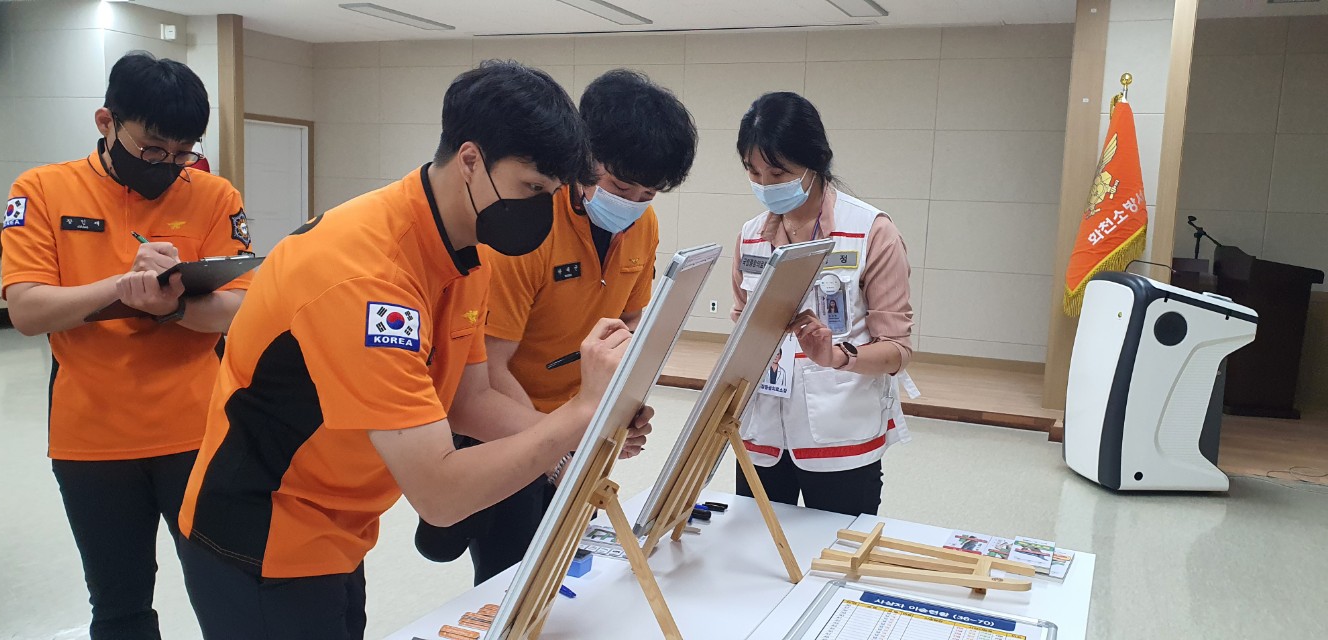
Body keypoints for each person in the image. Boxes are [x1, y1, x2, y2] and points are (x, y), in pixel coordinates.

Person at [174, 61, 652, 640]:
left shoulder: (464, 246)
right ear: (471, 160)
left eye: (553, 194)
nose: (544, 210)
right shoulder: (366, 277)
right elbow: (440, 494)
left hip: (337, 525)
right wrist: (579, 416)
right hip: (262, 531)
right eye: (532, 188)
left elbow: (470, 401)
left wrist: (588, 431)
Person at [0, 52, 251, 639]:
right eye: (153, 149)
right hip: (92, 439)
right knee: (119, 605)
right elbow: (28, 310)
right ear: (106, 122)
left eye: (184, 152)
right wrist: (121, 287)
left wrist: (174, 306)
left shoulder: (215, 195)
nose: (169, 165)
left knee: (231, 593)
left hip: (198, 431)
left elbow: (242, 307)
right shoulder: (42, 190)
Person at [414, 69, 697, 585]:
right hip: (505, 423)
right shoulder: (528, 227)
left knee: (569, 569)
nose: (633, 203)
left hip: (576, 421)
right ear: (584, 157)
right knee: (509, 577)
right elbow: (489, 373)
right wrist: (560, 449)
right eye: (620, 186)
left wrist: (615, 411)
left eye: (648, 193)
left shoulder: (642, 224)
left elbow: (628, 322)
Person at [730, 92, 915, 517]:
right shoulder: (750, 236)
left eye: (778, 172)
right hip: (762, 435)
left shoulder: (870, 231)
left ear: (815, 163)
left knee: (837, 549)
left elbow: (897, 351)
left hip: (841, 436)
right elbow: (741, 327)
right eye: (753, 171)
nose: (765, 185)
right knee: (754, 545)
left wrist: (836, 356)